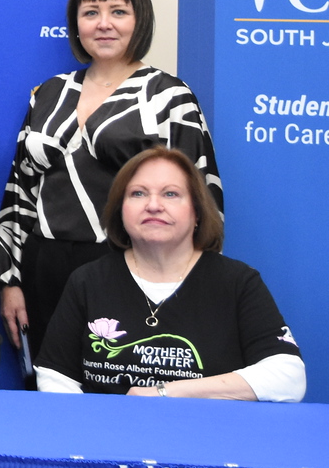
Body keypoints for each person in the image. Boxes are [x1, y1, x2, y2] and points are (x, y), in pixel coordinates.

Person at [0, 0, 223, 359]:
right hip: (44, 268)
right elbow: (20, 193)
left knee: (122, 391)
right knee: (51, 389)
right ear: (76, 24)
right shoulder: (49, 94)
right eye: (90, 13)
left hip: (133, 265)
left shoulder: (168, 95)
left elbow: (201, 196)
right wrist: (9, 280)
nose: (104, 24)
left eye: (118, 12)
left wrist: (189, 283)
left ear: (140, 21)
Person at [36, 147, 303, 400]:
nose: (153, 205)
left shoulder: (237, 282)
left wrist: (167, 392)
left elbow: (288, 376)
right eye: (138, 194)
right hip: (106, 439)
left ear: (197, 212)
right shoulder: (87, 281)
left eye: (171, 194)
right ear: (121, 210)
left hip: (209, 438)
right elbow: (55, 376)